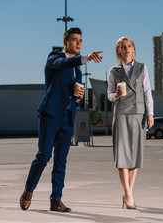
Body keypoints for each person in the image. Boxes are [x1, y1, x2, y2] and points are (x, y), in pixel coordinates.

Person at [20, 27, 103, 212]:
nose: (78, 43)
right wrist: (86, 57)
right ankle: (28, 190)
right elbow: (61, 64)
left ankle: (56, 199)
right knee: (43, 156)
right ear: (66, 42)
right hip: (50, 114)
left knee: (61, 161)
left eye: (80, 40)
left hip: (67, 118)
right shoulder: (54, 58)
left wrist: (79, 97)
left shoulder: (78, 72)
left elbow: (74, 97)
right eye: (74, 40)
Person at [107, 36, 154, 209]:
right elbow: (109, 94)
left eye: (129, 46)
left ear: (133, 48)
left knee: (135, 156)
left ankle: (128, 194)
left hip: (138, 113)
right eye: (122, 46)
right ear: (118, 50)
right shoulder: (114, 70)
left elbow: (147, 92)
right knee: (122, 157)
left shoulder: (142, 68)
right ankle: (129, 195)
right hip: (121, 114)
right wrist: (116, 96)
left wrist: (150, 113)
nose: (126, 49)